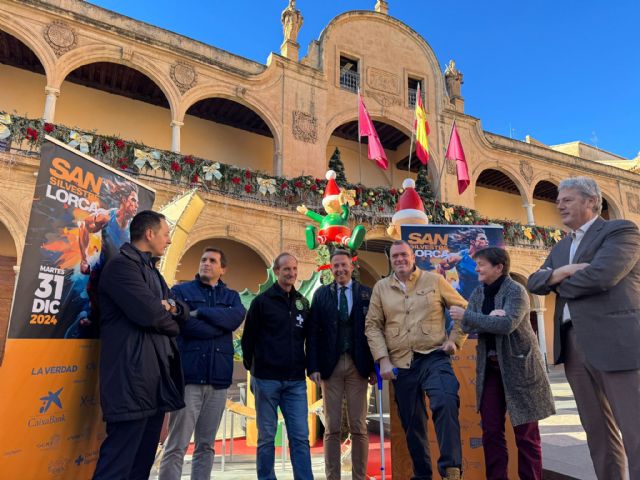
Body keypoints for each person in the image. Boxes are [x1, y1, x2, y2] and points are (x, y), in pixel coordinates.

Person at [528, 176, 640, 480]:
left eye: (567, 199)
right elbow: (534, 281)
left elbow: (603, 276)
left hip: (615, 342)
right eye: (558, 200)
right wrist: (562, 271)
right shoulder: (562, 247)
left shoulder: (621, 230)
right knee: (597, 434)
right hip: (574, 348)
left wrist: (558, 283)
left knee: (635, 430)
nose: (559, 204)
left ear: (591, 201)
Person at [93, 210, 189, 480]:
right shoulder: (122, 267)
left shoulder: (152, 272)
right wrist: (168, 316)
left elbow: (181, 313)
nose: (169, 241)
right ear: (149, 234)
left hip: (154, 385)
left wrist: (168, 311)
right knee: (116, 466)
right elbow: (153, 315)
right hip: (130, 383)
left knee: (140, 466)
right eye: (166, 234)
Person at [365, 240, 468, 480]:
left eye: (404, 255)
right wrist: (383, 360)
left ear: (413, 257)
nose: (399, 259)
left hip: (434, 357)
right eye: (395, 256)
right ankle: (422, 475)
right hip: (400, 364)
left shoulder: (435, 280)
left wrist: (455, 339)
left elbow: (463, 308)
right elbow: (372, 325)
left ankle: (451, 471)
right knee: (413, 424)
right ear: (390, 260)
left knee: (445, 401)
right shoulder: (381, 288)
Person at [449, 247, 555, 480]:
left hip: (520, 370)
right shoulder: (478, 293)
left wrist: (473, 317)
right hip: (491, 372)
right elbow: (468, 328)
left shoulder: (517, 291)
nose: (476, 268)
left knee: (526, 435)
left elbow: (506, 325)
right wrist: (489, 319)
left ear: (499, 267)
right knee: (491, 432)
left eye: (481, 264)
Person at [158, 247, 246, 480]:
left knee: (206, 447)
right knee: (177, 445)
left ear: (222, 269)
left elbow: (236, 318)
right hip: (189, 379)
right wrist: (218, 324)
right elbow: (184, 324)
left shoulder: (232, 297)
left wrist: (200, 313)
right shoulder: (180, 291)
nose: (206, 263)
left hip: (217, 382)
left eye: (212, 261)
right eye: (203, 260)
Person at [241, 252, 313, 480]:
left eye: (294, 269)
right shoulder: (261, 302)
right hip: (267, 380)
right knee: (266, 438)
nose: (291, 273)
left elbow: (309, 339)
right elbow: (248, 339)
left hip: (295, 383)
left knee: (300, 437)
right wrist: (254, 369)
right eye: (286, 269)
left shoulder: (303, 302)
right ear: (276, 271)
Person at [307, 249, 375, 480]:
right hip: (330, 366)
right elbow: (313, 333)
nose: (340, 270)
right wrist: (313, 366)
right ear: (331, 268)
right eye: (335, 266)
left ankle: (359, 476)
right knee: (332, 427)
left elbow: (375, 330)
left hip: (359, 365)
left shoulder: (366, 293)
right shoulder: (321, 295)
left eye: (344, 265)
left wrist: (375, 366)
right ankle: (332, 477)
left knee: (359, 426)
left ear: (352, 266)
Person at [437, 228, 489, 299]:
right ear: (473, 241)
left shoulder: (489, 259)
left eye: (486, 239)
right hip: (461, 299)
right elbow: (440, 265)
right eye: (482, 239)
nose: (487, 241)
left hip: (480, 300)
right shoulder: (460, 256)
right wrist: (444, 287)